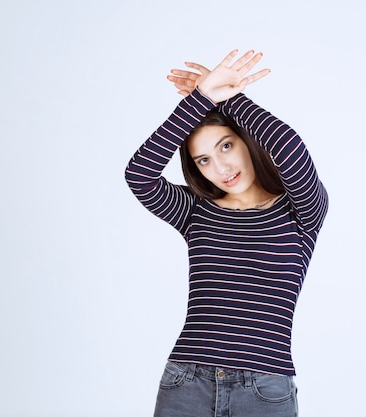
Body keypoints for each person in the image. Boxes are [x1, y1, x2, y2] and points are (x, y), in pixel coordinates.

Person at [125, 50, 328, 417]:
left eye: (226, 146)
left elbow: (293, 152)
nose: (220, 166)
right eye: (203, 160)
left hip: (264, 389)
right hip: (186, 382)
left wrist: (231, 98)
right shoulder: (195, 211)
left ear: (246, 142)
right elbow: (139, 175)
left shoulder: (301, 211)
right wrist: (201, 99)